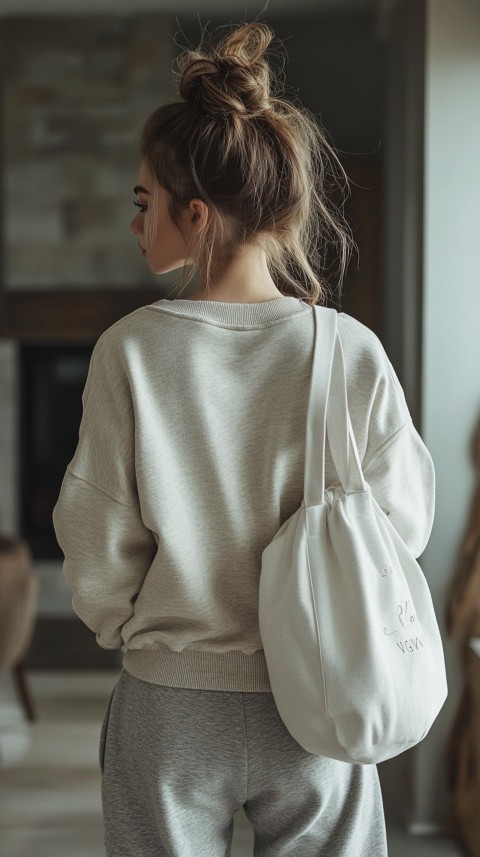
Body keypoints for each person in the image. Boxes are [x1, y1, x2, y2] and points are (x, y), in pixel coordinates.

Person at [52, 21, 435, 857]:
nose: (135, 222)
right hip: (320, 694)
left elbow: (94, 530)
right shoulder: (347, 349)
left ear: (196, 214)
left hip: (170, 701)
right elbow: (401, 524)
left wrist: (132, 631)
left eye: (142, 203)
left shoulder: (133, 347)